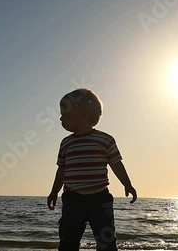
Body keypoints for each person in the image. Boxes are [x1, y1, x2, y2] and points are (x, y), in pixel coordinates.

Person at [47, 88, 137, 251]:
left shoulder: (104, 140)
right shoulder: (66, 143)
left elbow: (116, 164)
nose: (61, 118)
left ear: (83, 114)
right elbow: (61, 170)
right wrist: (54, 192)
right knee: (68, 240)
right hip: (72, 199)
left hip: (99, 199)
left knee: (106, 242)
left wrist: (127, 184)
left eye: (65, 114)